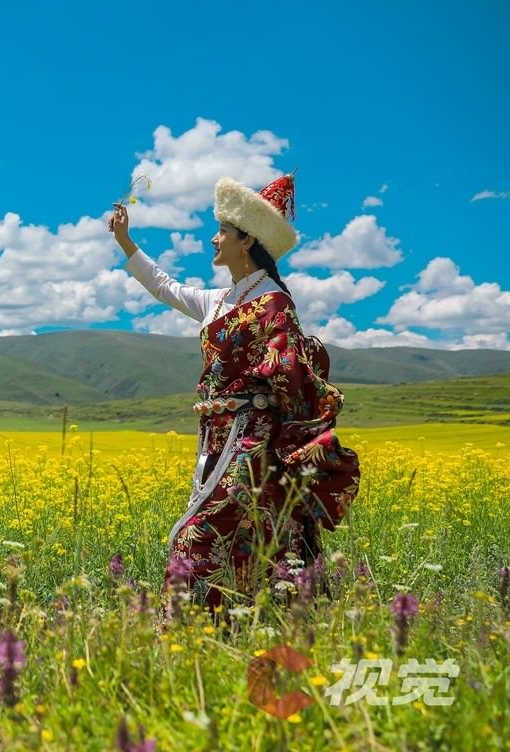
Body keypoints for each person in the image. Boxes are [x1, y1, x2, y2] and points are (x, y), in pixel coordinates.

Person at [107, 173, 360, 614]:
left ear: (247, 241)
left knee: (199, 534)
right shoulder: (220, 300)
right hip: (216, 438)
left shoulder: (275, 303)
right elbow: (166, 288)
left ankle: (183, 628)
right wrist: (127, 243)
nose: (213, 239)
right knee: (253, 535)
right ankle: (251, 624)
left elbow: (293, 372)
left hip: (253, 440)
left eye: (222, 231)